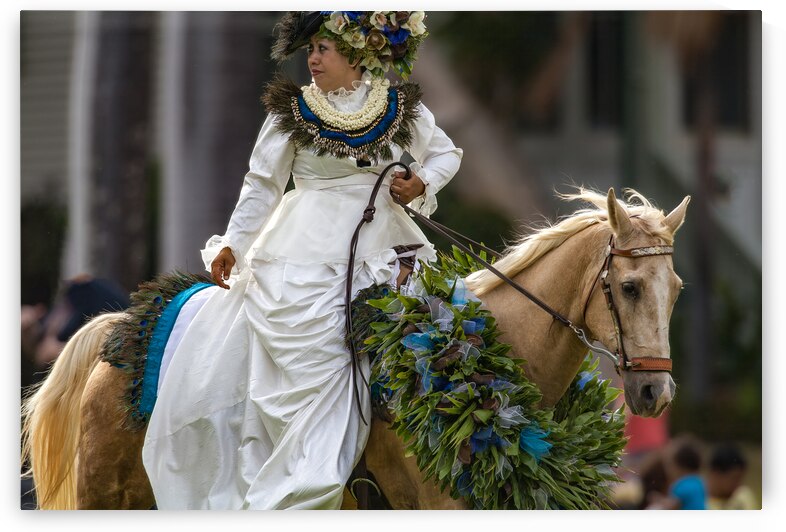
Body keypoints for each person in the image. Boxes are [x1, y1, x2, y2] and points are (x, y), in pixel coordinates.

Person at [141, 11, 462, 510]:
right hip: (301, 250)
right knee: (298, 361)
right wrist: (233, 243)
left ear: (358, 53)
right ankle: (300, 475)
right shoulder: (289, 112)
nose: (312, 59)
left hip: (387, 245)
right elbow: (262, 185)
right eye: (309, 50)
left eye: (323, 50)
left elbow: (445, 154)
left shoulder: (402, 107)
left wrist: (421, 183)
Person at [646, 434, 707, 510]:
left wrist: (658, 501)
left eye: (669, 464)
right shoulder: (699, 482)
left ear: (678, 467)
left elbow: (671, 506)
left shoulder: (682, 485)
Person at [706, 442, 758, 510]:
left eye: (740, 479)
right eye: (734, 479)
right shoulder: (696, 502)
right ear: (716, 473)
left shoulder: (743, 498)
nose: (738, 485)